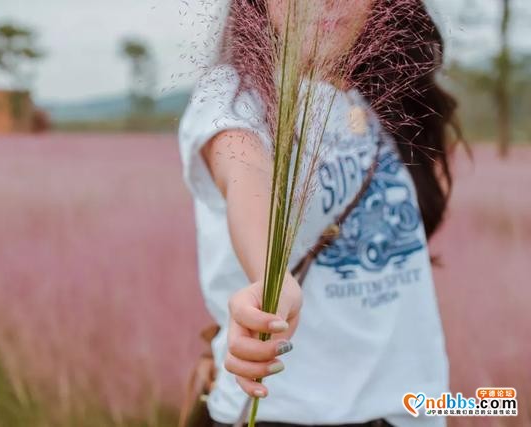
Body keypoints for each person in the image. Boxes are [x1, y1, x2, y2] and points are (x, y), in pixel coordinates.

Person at [177, 0, 462, 426]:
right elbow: (245, 176)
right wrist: (269, 277)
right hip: (286, 411)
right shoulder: (235, 95)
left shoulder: (378, 97)